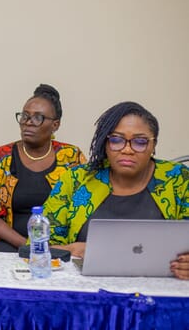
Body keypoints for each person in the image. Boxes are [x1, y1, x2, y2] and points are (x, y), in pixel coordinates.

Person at [43, 101, 189, 279]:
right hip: (85, 289)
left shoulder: (178, 179)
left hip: (161, 289)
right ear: (105, 144)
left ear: (153, 145)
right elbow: (38, 247)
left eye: (140, 142)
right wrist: (73, 249)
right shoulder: (76, 179)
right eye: (116, 140)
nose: (127, 150)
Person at [0, 84, 86, 252]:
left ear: (55, 125)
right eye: (24, 116)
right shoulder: (0, 157)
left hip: (58, 243)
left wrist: (52, 247)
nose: (28, 123)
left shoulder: (71, 157)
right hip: (6, 241)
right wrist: (28, 246)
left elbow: (85, 204)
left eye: (38, 118)